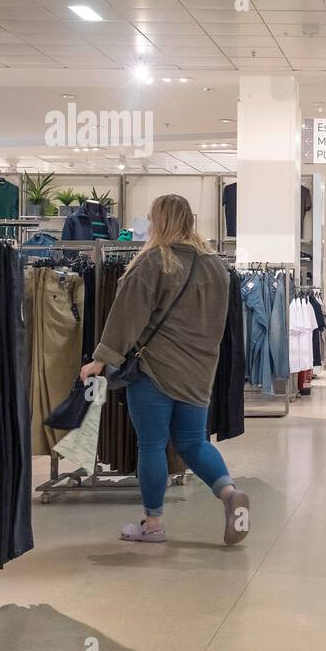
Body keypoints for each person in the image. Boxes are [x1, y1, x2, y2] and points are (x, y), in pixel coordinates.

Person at [78, 194, 250, 545]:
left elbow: (126, 317)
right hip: (200, 369)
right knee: (193, 442)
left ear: (159, 221)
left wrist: (101, 359)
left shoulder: (155, 262)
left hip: (155, 368)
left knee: (153, 445)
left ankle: (152, 524)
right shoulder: (215, 267)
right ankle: (229, 493)